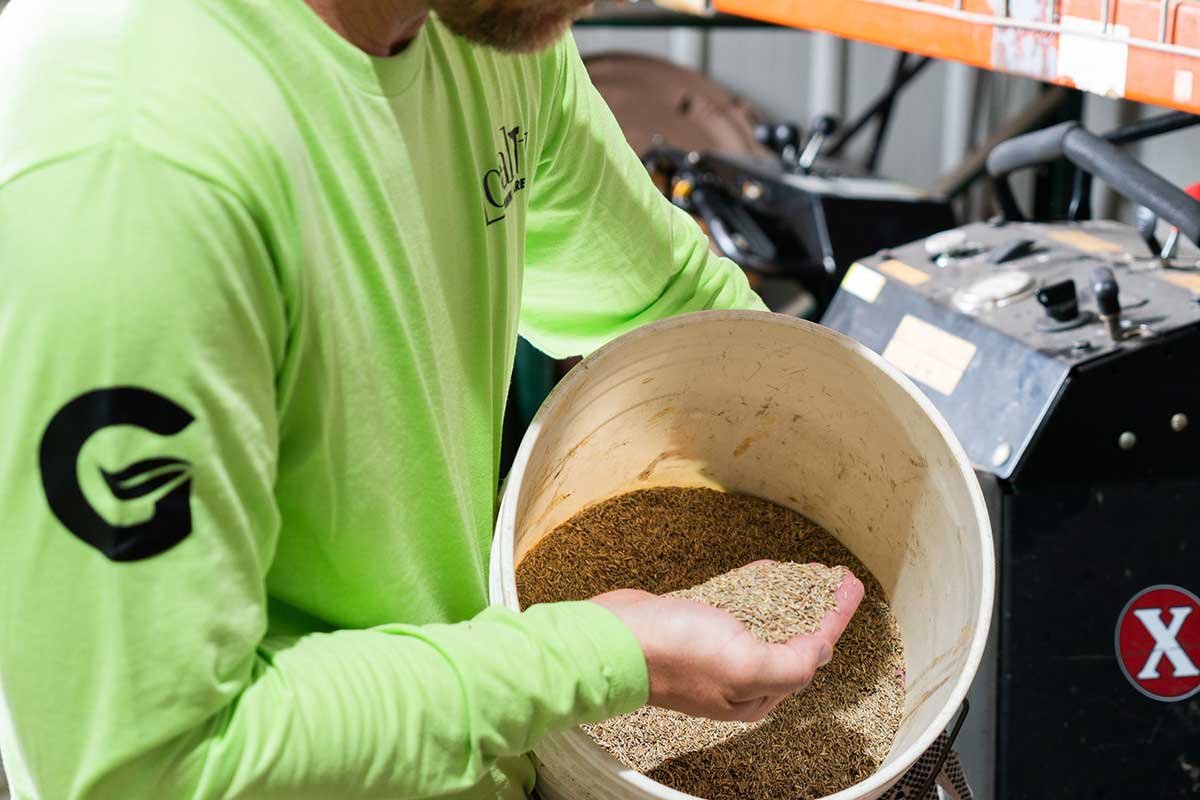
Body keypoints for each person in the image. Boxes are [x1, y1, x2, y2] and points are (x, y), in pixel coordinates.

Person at [0, 0, 864, 797]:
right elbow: (145, 769)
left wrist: (852, 467)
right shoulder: (133, 165)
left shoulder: (486, 27)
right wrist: (602, 656)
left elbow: (675, 315)